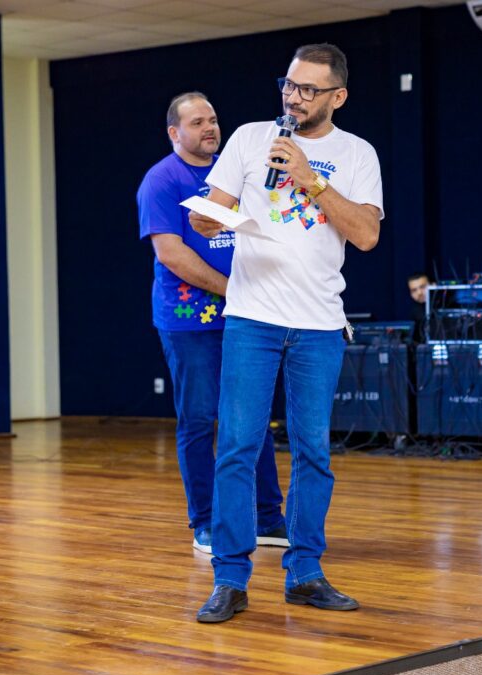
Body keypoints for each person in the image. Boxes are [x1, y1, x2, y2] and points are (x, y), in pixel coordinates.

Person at [189, 43, 383, 623]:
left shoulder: (357, 153)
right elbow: (211, 211)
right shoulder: (251, 138)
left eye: (308, 90)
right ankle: (229, 579)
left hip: (319, 324)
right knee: (237, 448)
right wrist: (206, 217)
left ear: (337, 96)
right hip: (252, 318)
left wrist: (310, 179)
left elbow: (366, 235)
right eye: (289, 85)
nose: (293, 98)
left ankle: (304, 573)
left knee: (313, 452)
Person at [137, 93, 287, 554]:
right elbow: (171, 254)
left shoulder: (232, 171)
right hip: (190, 324)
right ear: (174, 132)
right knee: (201, 420)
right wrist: (232, 288)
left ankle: (267, 518)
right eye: (198, 122)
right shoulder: (162, 180)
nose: (210, 128)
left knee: (253, 419)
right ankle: (205, 522)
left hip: (244, 316)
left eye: (214, 119)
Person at [407, 272, 432, 342]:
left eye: (423, 287)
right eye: (414, 290)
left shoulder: (449, 305)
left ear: (433, 285)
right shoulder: (414, 312)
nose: (419, 293)